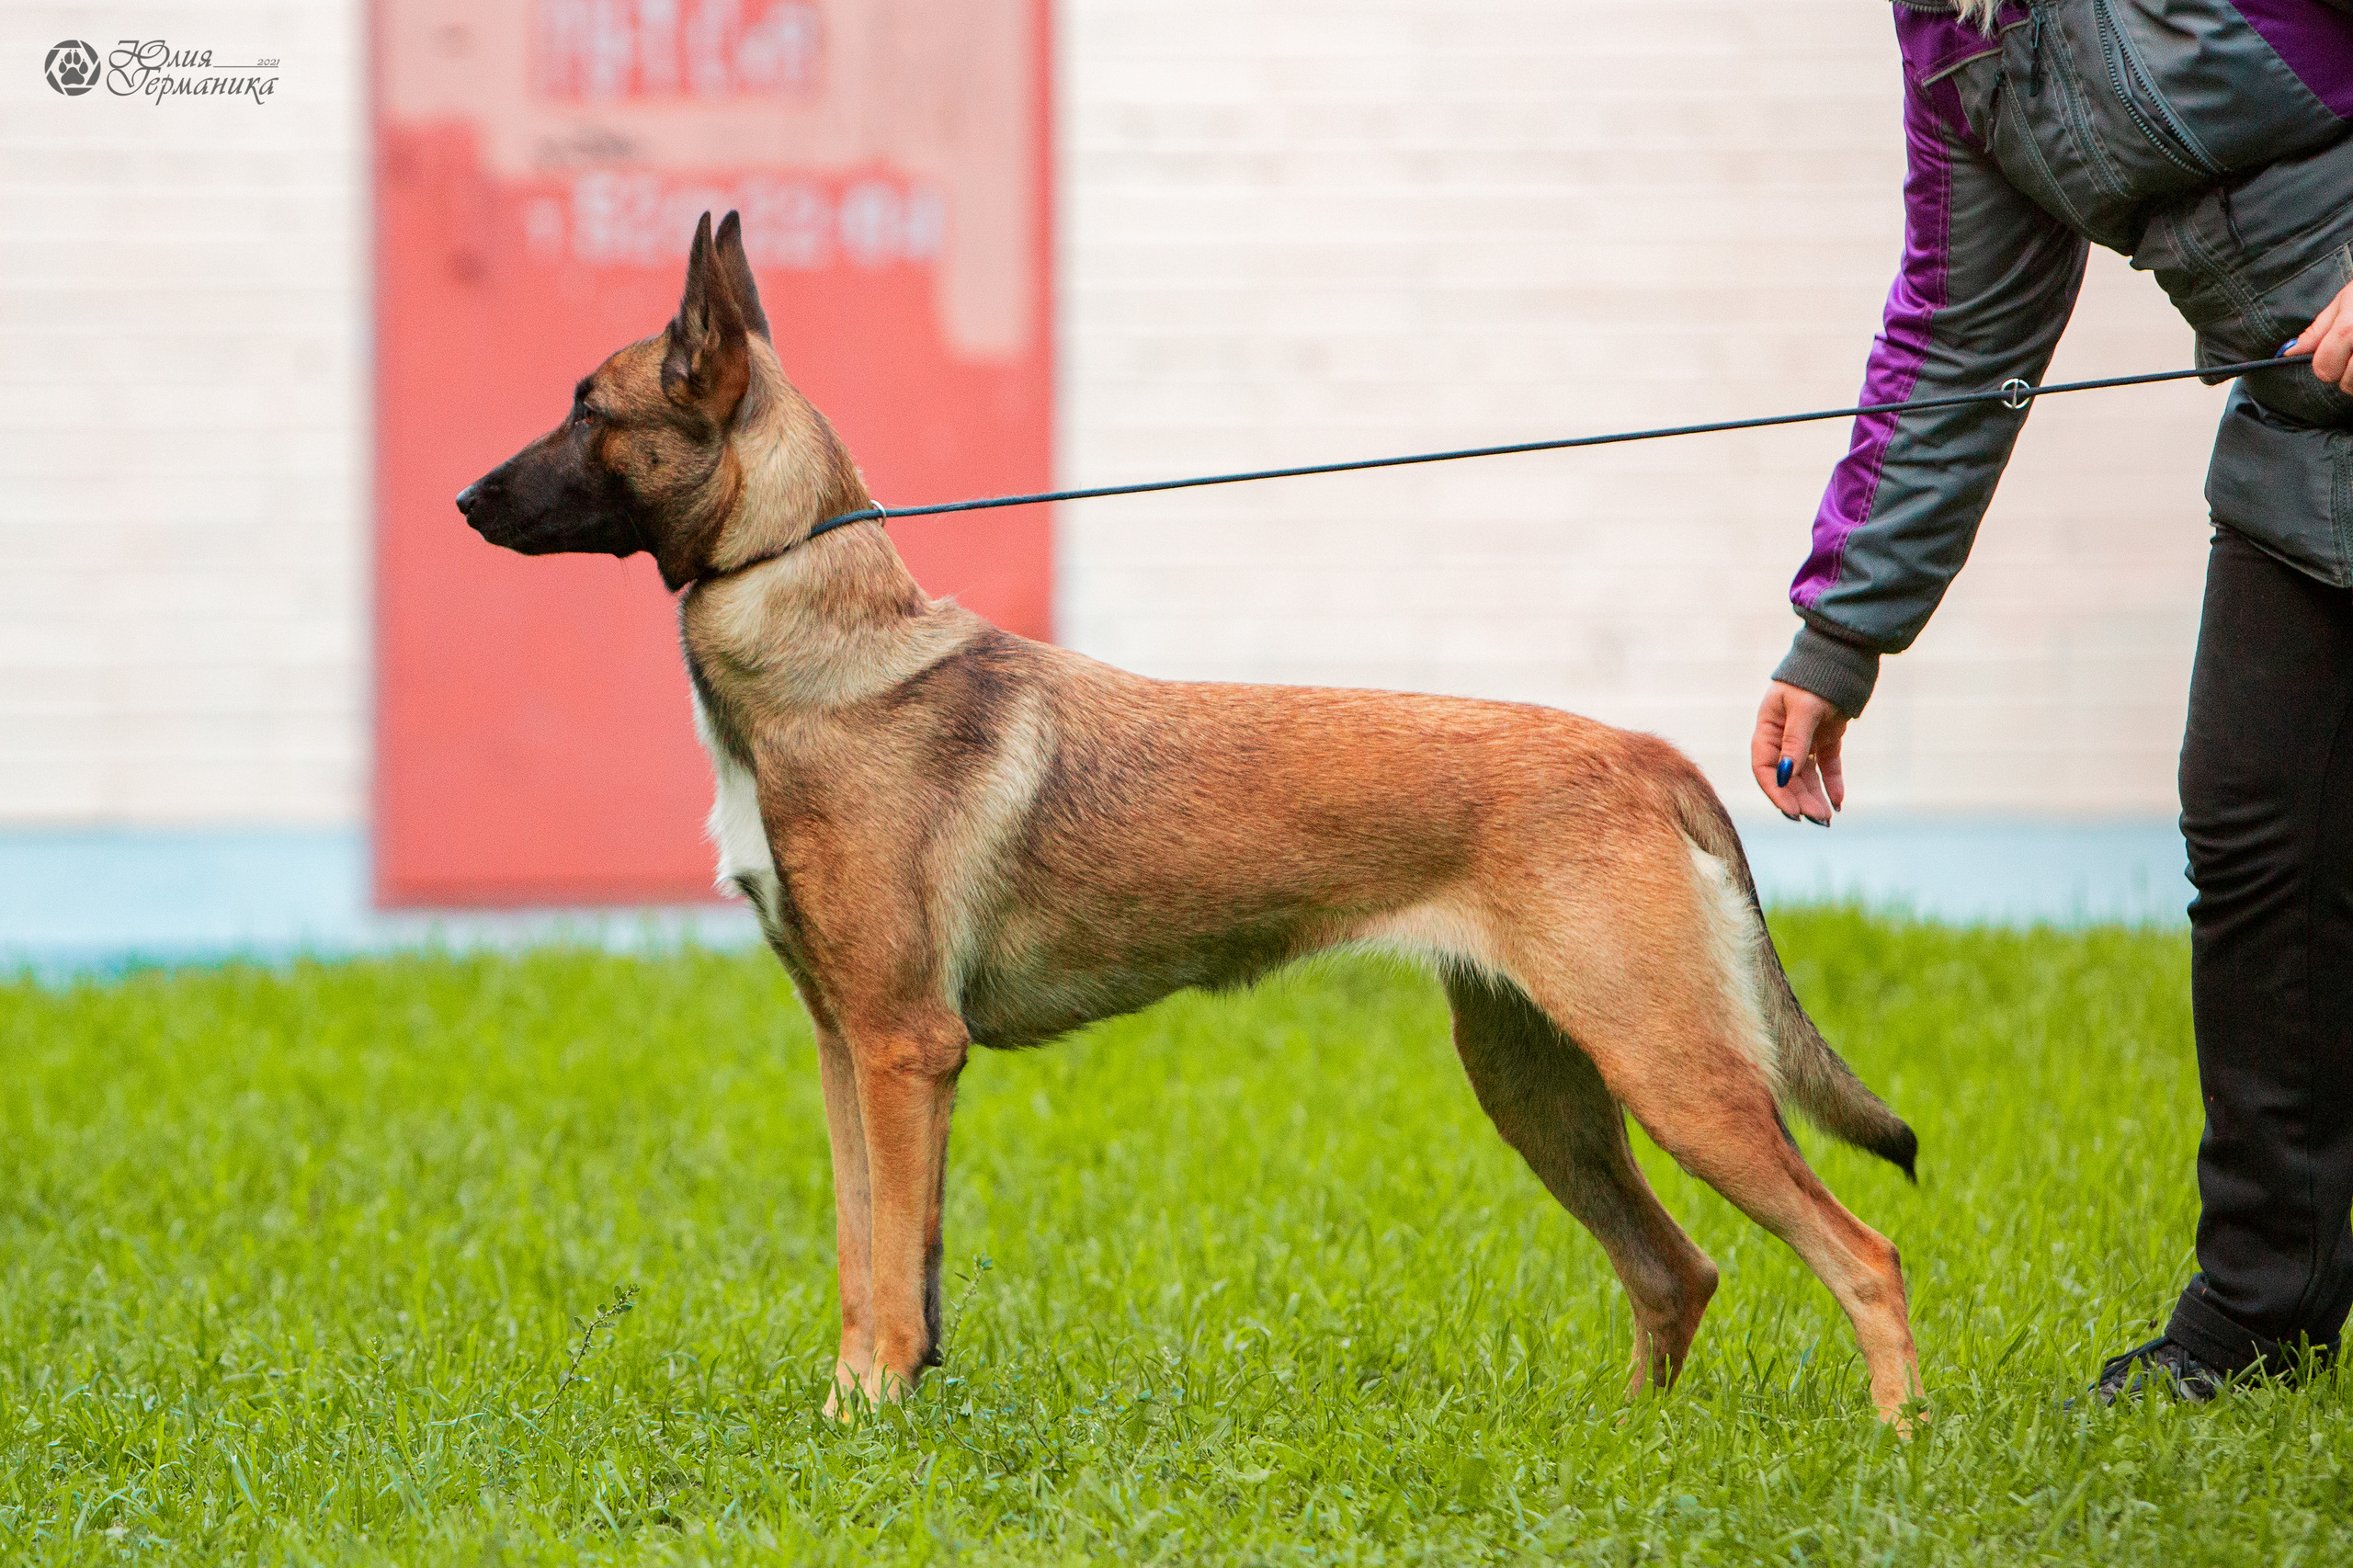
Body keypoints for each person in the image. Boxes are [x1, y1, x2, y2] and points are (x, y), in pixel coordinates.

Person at [1752, 0, 2353, 1401]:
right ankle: (2268, 1312)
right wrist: (1839, 637)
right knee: (2259, 840)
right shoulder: (1959, 39)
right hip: (2302, 451)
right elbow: (1964, 332)